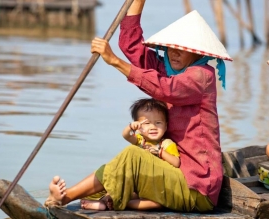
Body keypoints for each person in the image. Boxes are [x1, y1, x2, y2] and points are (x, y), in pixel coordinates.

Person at [45, 0, 233, 212]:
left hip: (197, 187)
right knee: (114, 167)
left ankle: (83, 200)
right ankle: (64, 198)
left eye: (182, 49)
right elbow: (131, 44)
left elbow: (165, 89)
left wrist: (114, 61)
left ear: (199, 53)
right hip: (172, 173)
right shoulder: (168, 69)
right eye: (171, 48)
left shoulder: (201, 76)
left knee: (132, 156)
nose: (174, 53)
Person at [80, 98, 180, 210]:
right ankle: (104, 202)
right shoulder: (140, 140)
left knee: (157, 204)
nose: (153, 127)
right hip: (135, 184)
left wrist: (160, 152)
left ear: (166, 126)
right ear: (139, 126)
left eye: (158, 123)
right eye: (147, 123)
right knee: (118, 191)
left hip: (153, 186)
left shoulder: (166, 144)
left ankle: (122, 204)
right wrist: (131, 127)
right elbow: (126, 135)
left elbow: (176, 162)